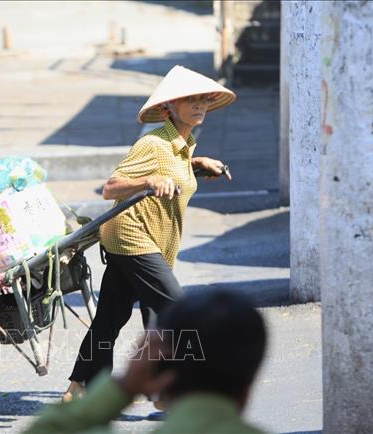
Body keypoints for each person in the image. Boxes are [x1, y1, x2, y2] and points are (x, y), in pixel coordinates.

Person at [63, 65, 237, 402]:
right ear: (170, 107)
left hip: (143, 239)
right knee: (180, 310)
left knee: (110, 319)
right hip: (132, 238)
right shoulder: (154, 144)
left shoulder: (183, 145)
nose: (199, 105)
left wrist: (197, 166)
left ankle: (80, 387)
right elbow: (111, 187)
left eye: (202, 100)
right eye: (190, 100)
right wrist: (146, 181)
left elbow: (172, 179)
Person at [25, 289, 267, 434]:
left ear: (162, 378)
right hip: (134, 243)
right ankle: (79, 383)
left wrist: (124, 387)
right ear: (247, 391)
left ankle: (79, 384)